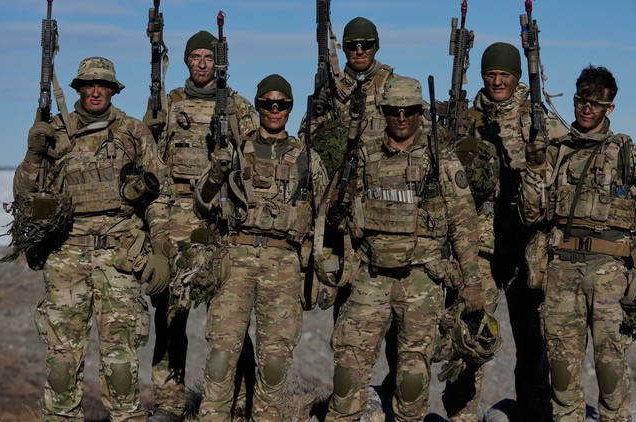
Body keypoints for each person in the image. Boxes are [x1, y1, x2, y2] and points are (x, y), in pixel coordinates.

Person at [519, 65, 636, 421]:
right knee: (561, 370)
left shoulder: (626, 152)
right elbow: (531, 214)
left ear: (610, 108)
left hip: (610, 274)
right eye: (580, 100)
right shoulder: (557, 152)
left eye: (594, 103)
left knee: (610, 367)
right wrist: (533, 169)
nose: (585, 109)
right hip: (561, 271)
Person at [325, 76, 492, 421]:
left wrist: (471, 282)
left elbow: (464, 225)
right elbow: (337, 210)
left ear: (420, 112)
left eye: (409, 111)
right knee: (347, 369)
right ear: (384, 111)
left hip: (420, 280)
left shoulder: (441, 161)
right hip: (371, 275)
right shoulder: (364, 155)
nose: (402, 118)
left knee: (413, 378)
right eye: (394, 111)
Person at [14, 56, 170, 421]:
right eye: (88, 85)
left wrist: (161, 250)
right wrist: (33, 154)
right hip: (67, 256)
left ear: (113, 90)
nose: (95, 91)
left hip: (120, 258)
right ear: (79, 89)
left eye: (103, 85)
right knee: (62, 363)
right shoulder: (55, 132)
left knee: (121, 365)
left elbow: (158, 196)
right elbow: (25, 195)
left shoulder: (133, 132)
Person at [444, 42, 568, 421]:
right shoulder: (465, 118)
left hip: (526, 247)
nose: (498, 81)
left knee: (532, 341)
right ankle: (462, 416)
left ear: (516, 77)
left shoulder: (541, 122)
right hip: (477, 247)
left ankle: (533, 414)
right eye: (491, 74)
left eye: (506, 75)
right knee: (468, 336)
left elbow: (565, 176)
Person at [194, 74, 329, 420]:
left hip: (284, 263)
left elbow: (324, 218)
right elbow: (201, 204)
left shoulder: (306, 158)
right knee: (223, 354)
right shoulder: (235, 152)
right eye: (267, 104)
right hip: (235, 258)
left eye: (281, 104)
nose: (274, 110)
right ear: (257, 107)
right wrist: (215, 174)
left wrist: (323, 272)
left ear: (289, 108)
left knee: (273, 361)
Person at [141, 30, 259, 421]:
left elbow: (253, 163)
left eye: (210, 56)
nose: (204, 63)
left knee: (229, 317)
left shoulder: (239, 107)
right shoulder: (170, 103)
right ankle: (169, 404)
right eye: (197, 57)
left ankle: (239, 399)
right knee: (171, 317)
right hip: (175, 214)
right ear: (188, 61)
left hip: (219, 219)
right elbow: (149, 158)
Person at [304, 16, 397, 177]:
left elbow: (419, 133)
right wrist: (318, 109)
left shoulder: (393, 86)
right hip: (342, 181)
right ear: (345, 49)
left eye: (366, 45)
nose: (359, 51)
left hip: (384, 179)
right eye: (352, 46)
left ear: (376, 46)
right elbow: (307, 140)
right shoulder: (332, 91)